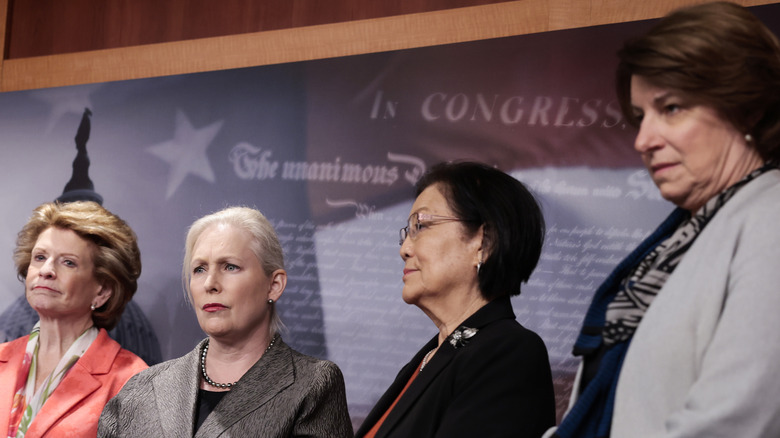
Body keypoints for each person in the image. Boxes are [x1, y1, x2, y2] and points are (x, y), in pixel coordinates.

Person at [548, 3, 780, 437]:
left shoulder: (772, 219)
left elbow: (735, 421)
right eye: (640, 117)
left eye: (671, 108)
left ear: (747, 107)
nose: (643, 140)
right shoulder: (683, 234)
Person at [99, 206, 353, 437]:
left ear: (274, 285)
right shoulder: (140, 388)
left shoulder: (313, 384)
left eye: (230, 267)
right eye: (199, 269)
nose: (210, 283)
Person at [356, 161, 556, 438]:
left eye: (421, 226)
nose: (405, 248)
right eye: (407, 231)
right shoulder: (430, 358)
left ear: (484, 242)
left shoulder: (509, 352)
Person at [0, 201, 148, 437]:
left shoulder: (132, 381)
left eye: (68, 262)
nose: (46, 270)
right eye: (39, 257)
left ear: (102, 291)